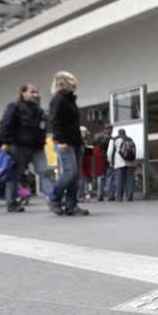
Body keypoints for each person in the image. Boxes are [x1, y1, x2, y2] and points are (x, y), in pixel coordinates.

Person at [0, 84, 55, 213]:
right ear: (23, 93)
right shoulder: (14, 107)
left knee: (44, 172)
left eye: (36, 92)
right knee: (15, 175)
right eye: (32, 92)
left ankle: (52, 200)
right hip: (19, 146)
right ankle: (11, 202)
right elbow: (6, 124)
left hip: (37, 147)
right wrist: (6, 142)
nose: (35, 94)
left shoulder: (38, 110)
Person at [47, 71, 88, 216]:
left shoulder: (70, 100)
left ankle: (71, 206)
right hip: (65, 142)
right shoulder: (58, 100)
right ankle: (53, 198)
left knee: (75, 176)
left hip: (75, 142)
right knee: (70, 173)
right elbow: (55, 122)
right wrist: (61, 141)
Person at [108, 128, 137, 201]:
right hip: (130, 162)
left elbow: (110, 152)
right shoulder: (130, 139)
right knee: (130, 180)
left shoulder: (114, 139)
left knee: (119, 180)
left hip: (119, 162)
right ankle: (129, 196)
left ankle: (119, 197)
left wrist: (110, 161)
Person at [93, 124, 115, 201]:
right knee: (110, 178)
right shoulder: (110, 138)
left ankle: (100, 195)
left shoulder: (96, 137)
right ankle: (110, 195)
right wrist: (111, 160)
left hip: (99, 160)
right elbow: (111, 151)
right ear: (109, 129)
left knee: (100, 178)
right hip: (107, 160)